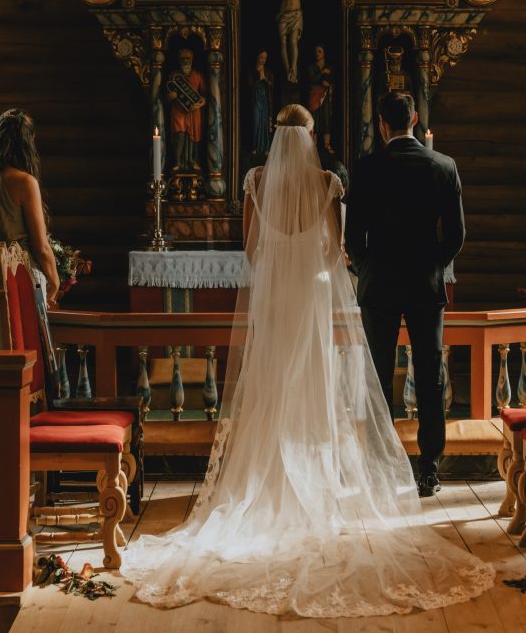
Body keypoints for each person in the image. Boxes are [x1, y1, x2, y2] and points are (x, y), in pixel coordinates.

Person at [122, 103, 493, 617]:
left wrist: (338, 263)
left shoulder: (264, 181)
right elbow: (338, 248)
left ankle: (275, 470)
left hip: (297, 298)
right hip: (361, 292)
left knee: (293, 383)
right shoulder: (342, 181)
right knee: (417, 374)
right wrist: (414, 264)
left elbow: (256, 252)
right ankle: (421, 467)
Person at [344, 92, 465, 498]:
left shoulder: (367, 168)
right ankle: (428, 467)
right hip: (424, 284)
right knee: (429, 374)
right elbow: (456, 235)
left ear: (381, 124)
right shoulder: (443, 166)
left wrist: (366, 267)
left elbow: (352, 236)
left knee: (377, 376)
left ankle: (380, 463)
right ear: (414, 119)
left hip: (378, 284)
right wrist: (433, 263)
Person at [0, 108, 60, 351]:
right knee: (27, 351)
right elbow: (41, 247)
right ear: (27, 141)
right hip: (21, 273)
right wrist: (55, 281)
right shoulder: (24, 181)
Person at [242, 0, 340, 83]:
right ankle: (288, 69)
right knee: (283, 42)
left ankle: (293, 68)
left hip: (295, 14)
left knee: (293, 42)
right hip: (283, 14)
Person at [167, 48, 206, 172]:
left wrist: (200, 104)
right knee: (180, 135)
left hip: (194, 112)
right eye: (183, 58)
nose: (185, 61)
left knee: (193, 137)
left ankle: (193, 161)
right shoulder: (174, 76)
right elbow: (166, 95)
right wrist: (170, 96)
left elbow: (205, 95)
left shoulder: (198, 76)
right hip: (179, 111)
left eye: (188, 58)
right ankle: (178, 162)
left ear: (192, 59)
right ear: (179, 60)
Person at [306, 44, 334, 153]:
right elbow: (313, 79)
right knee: (315, 120)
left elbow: (331, 80)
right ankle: (313, 144)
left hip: (325, 96)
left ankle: (327, 144)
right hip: (314, 96)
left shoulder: (329, 67)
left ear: (324, 54)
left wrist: (328, 83)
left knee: (326, 119)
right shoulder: (311, 67)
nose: (317, 54)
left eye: (319, 51)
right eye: (316, 52)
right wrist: (322, 73)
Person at [248, 48, 274, 155]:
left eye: (265, 58)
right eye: (261, 57)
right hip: (256, 100)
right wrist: (259, 79)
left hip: (265, 101)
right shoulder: (251, 71)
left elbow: (272, 85)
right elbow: (249, 85)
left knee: (265, 124)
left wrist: (266, 80)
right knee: (256, 123)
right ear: (257, 57)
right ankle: (255, 146)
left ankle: (265, 148)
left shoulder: (268, 71)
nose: (263, 60)